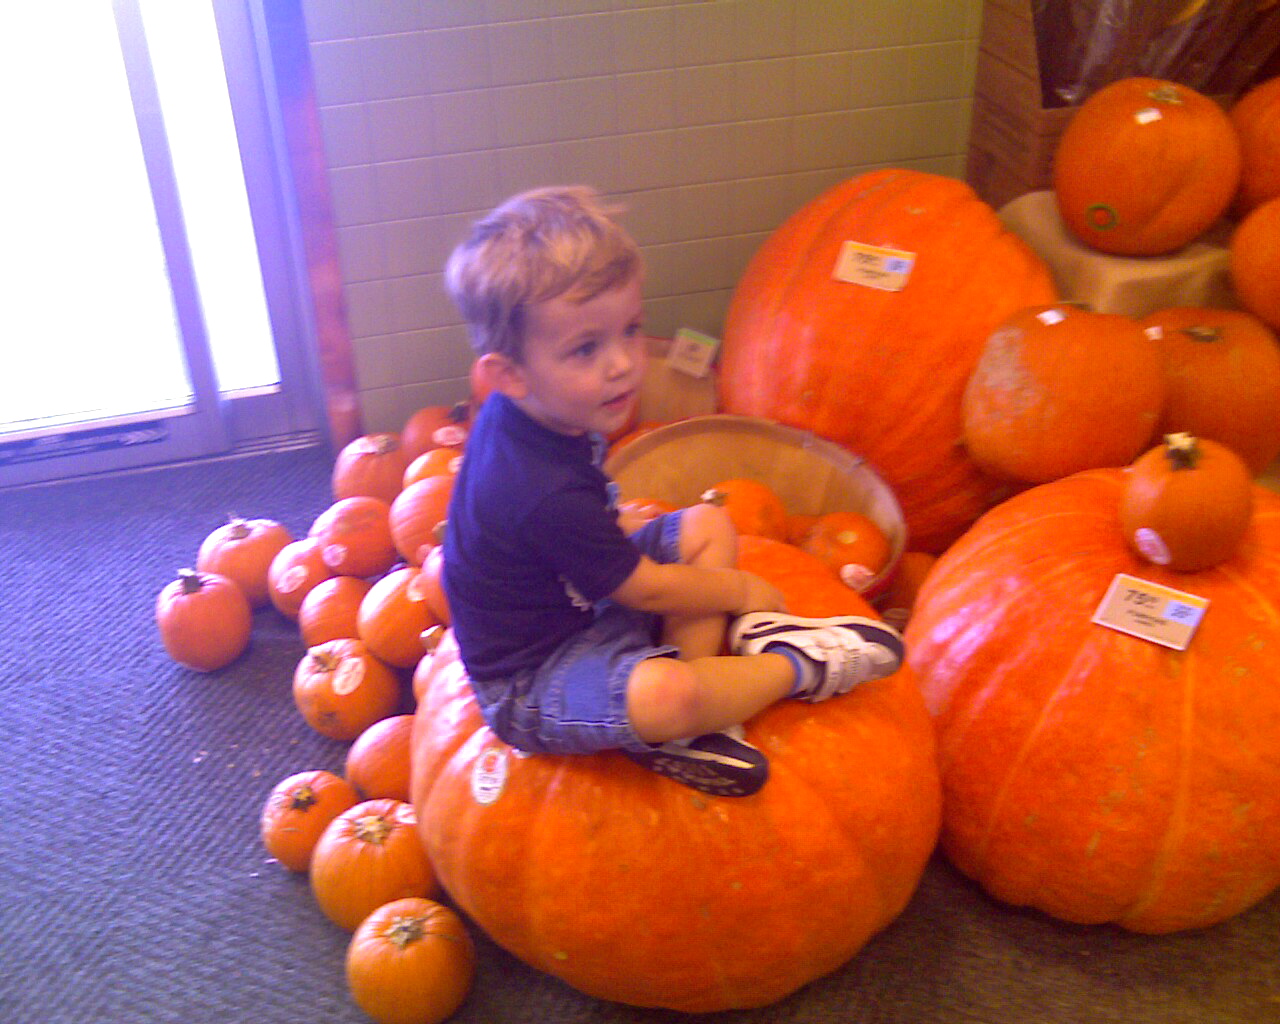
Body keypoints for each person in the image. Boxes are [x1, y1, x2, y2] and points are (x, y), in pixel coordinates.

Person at [440, 186, 904, 797]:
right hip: (535, 673)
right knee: (671, 695)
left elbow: (588, 534)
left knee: (709, 524)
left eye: (629, 330)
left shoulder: (545, 415)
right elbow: (646, 588)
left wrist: (619, 530)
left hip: (581, 599)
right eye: (586, 348)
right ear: (509, 375)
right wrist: (739, 590)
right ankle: (798, 667)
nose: (622, 363)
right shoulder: (535, 487)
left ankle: (695, 710)